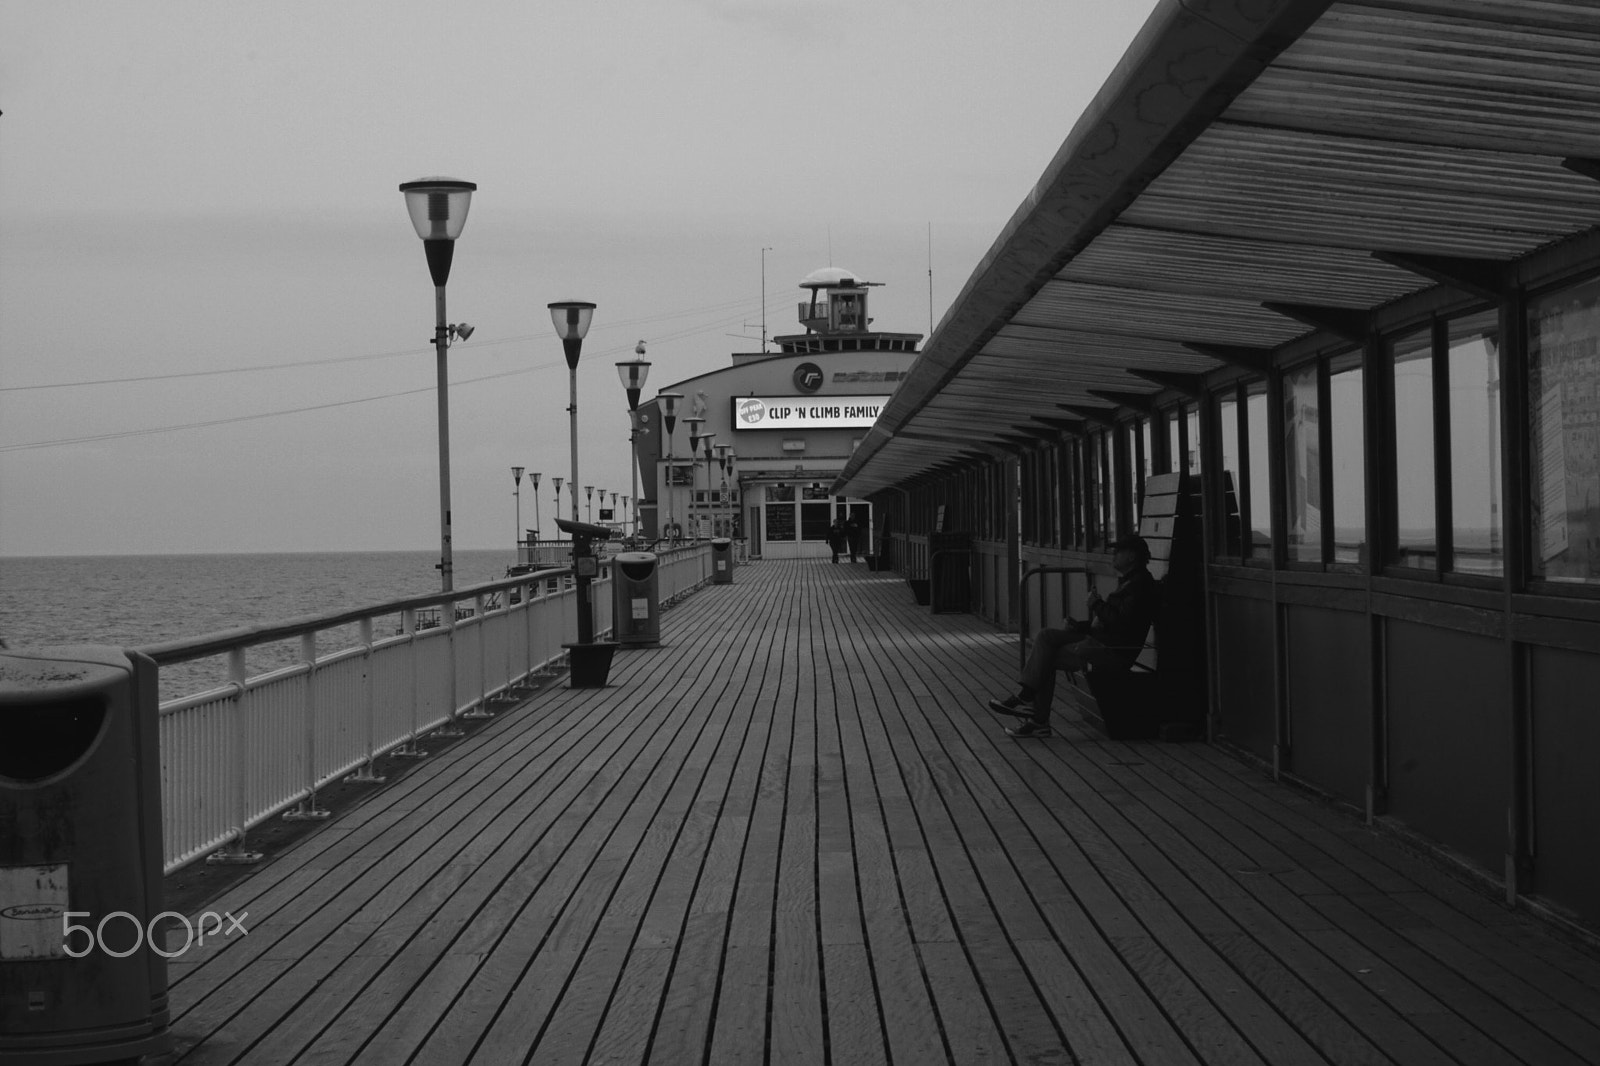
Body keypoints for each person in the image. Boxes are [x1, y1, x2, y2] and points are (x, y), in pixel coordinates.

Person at [988, 534, 1159, 738]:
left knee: (1047, 656)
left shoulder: (1139, 585)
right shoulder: (1130, 582)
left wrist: (1096, 604)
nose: (1114, 555)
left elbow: (1122, 624)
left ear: (1132, 556)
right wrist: (1079, 626)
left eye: (1119, 552)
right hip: (1101, 642)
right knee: (1045, 636)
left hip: (1112, 651)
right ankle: (1029, 703)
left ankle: (1035, 715)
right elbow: (1112, 623)